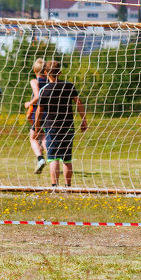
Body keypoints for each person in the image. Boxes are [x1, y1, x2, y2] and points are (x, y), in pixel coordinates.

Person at [34, 61, 88, 189]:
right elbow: (78, 102)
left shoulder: (45, 90)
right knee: (67, 158)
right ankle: (68, 187)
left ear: (46, 73)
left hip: (52, 127)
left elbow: (39, 111)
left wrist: (37, 127)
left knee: (53, 158)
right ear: (60, 72)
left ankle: (54, 186)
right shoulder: (69, 86)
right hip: (68, 126)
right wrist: (83, 120)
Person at [25, 57, 48, 174]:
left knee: (33, 138)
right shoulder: (50, 81)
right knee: (43, 136)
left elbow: (38, 96)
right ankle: (53, 158)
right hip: (49, 113)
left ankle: (41, 159)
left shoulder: (35, 81)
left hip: (39, 113)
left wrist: (28, 104)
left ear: (34, 70)